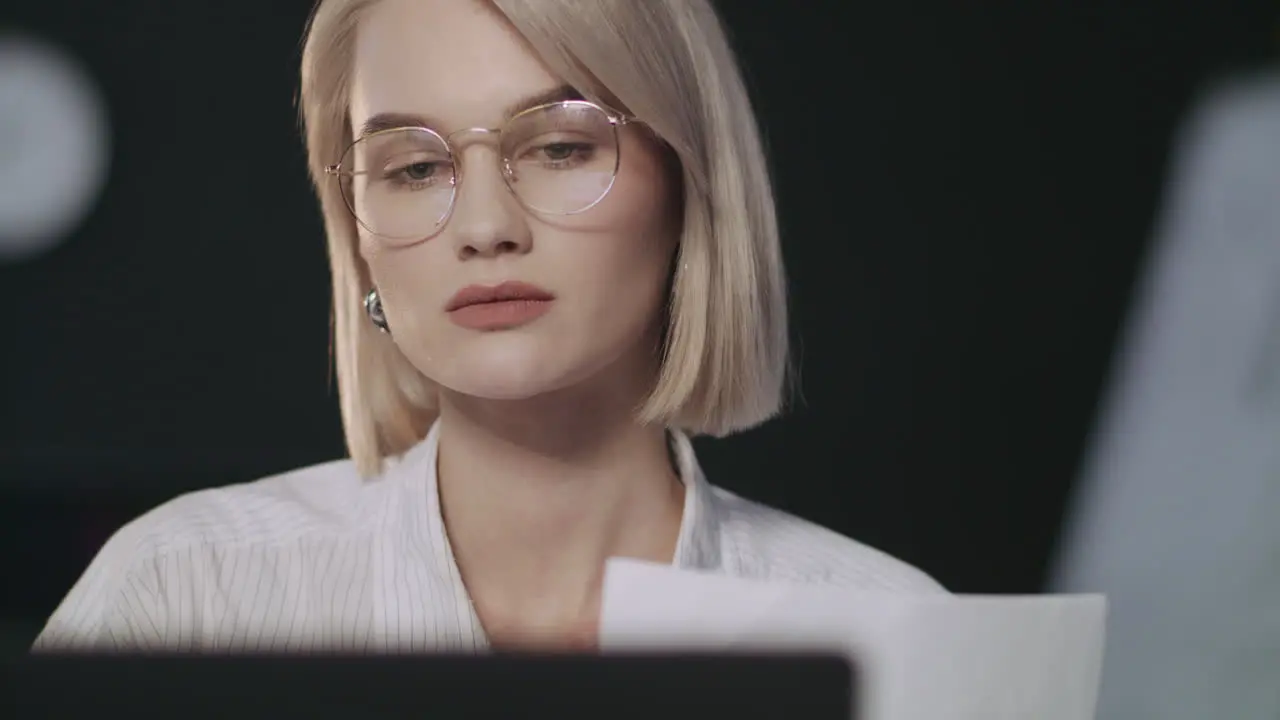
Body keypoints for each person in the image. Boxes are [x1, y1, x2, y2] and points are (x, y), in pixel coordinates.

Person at [33, 0, 943, 654]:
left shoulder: (893, 637)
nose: (483, 226)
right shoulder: (186, 594)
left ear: (689, 186)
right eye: (414, 168)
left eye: (558, 147)